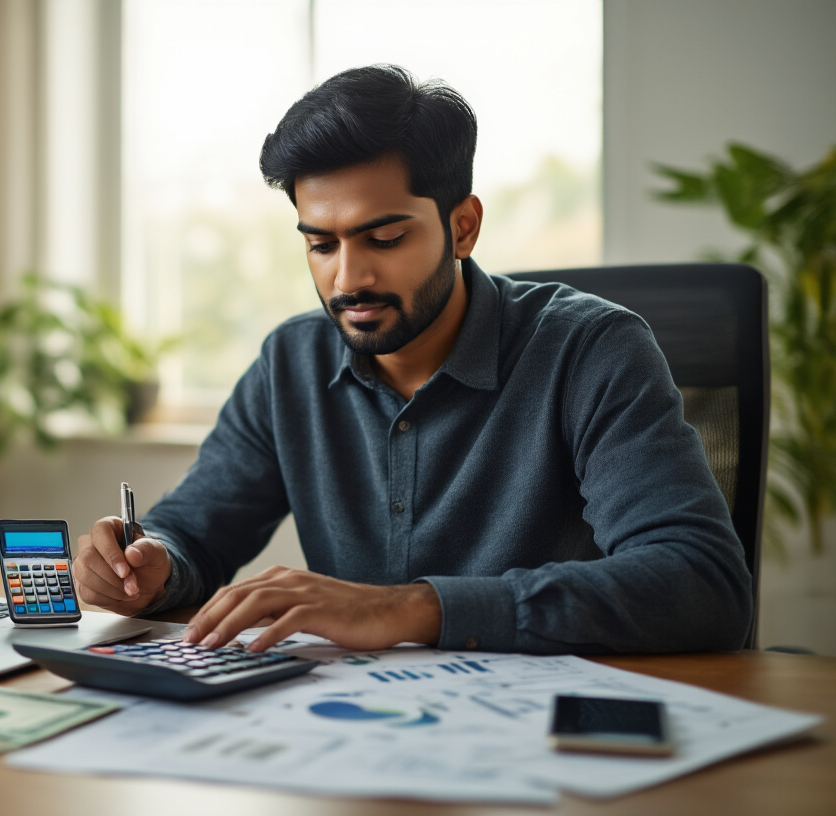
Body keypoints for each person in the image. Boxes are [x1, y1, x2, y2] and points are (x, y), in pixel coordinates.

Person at [74, 64, 753, 655]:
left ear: (463, 226)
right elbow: (195, 531)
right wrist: (152, 564)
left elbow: (701, 584)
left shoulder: (590, 350)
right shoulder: (292, 362)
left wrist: (409, 608)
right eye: (321, 244)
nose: (348, 279)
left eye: (385, 237)